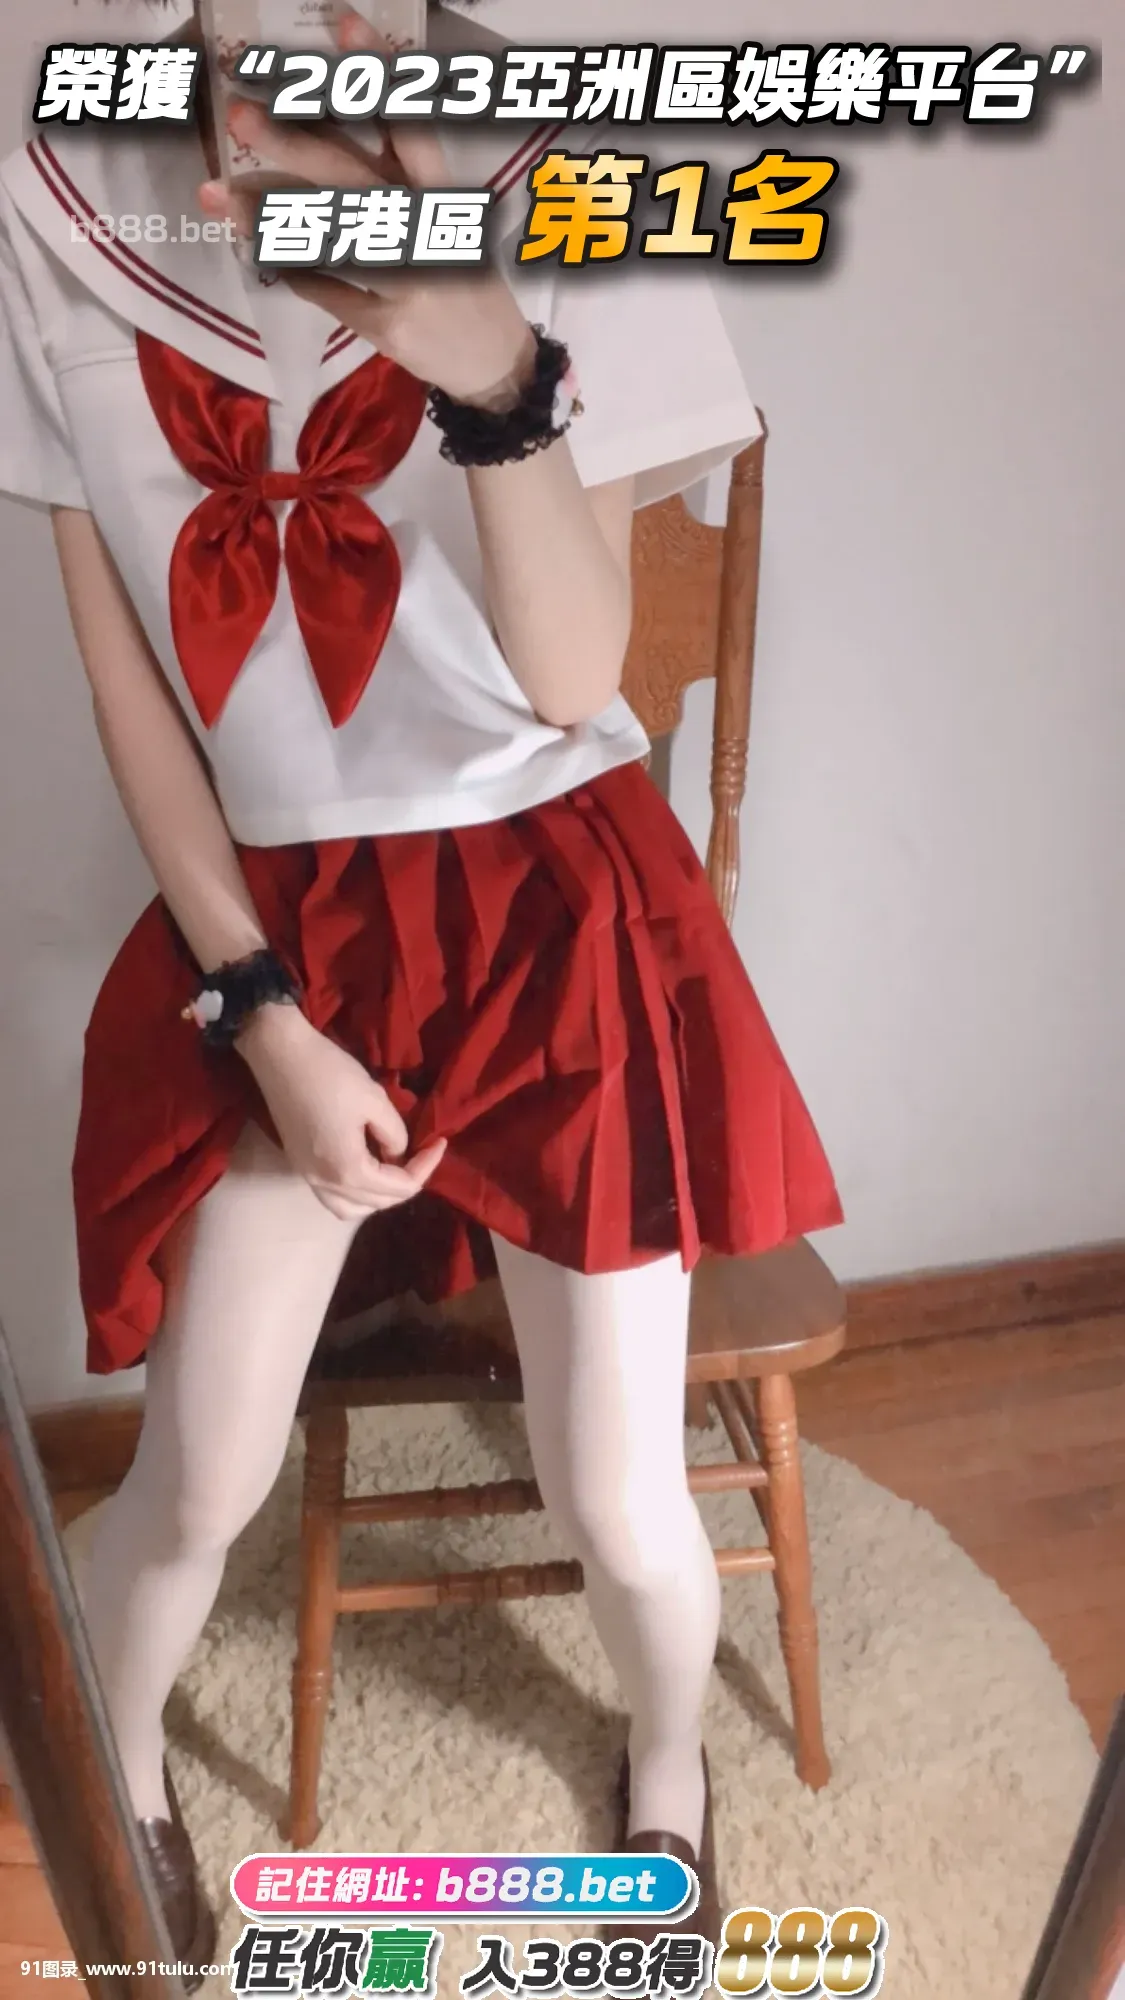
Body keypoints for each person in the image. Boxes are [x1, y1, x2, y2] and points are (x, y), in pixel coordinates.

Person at [0, 1, 842, 1983]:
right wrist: (262, 1012)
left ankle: (666, 1767)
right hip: (280, 924)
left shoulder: (572, 165)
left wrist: (495, 372)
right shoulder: (49, 196)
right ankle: (121, 1781)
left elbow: (570, 684)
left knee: (616, 1491)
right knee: (196, 1474)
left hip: (557, 902)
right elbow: (131, 688)